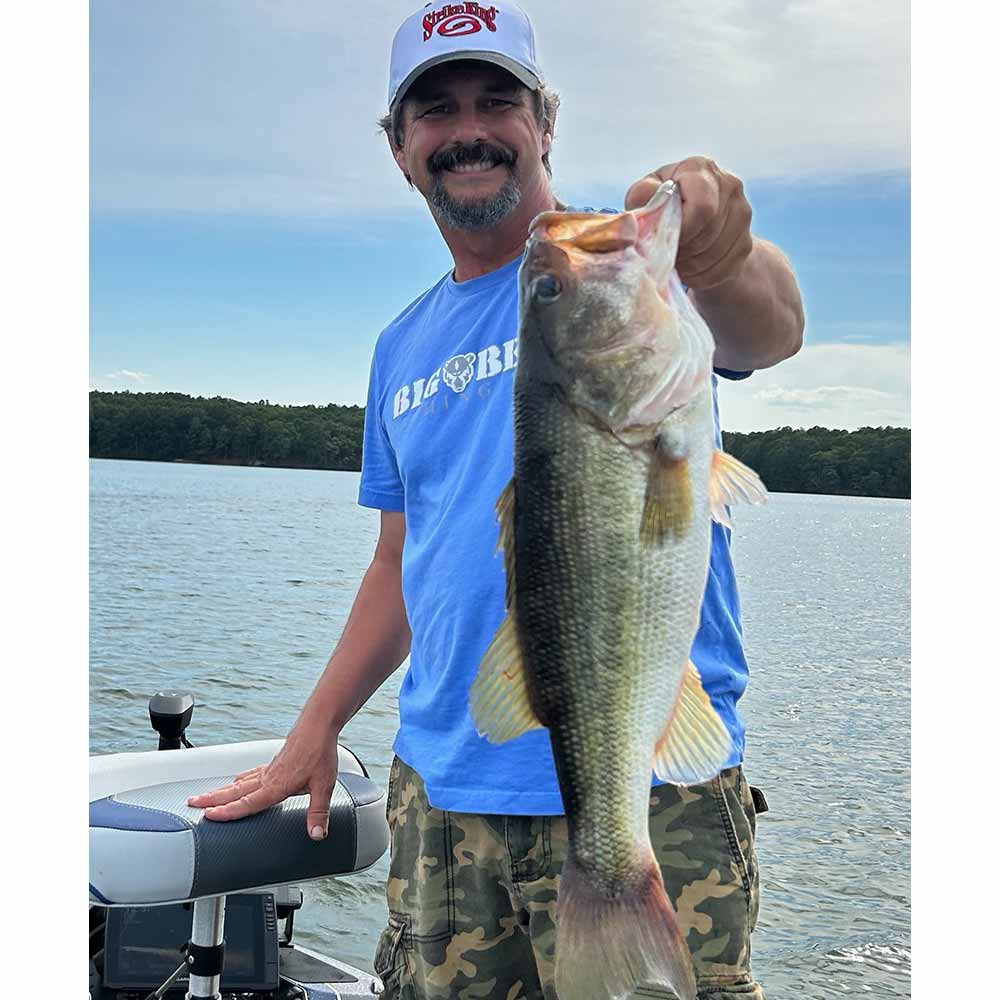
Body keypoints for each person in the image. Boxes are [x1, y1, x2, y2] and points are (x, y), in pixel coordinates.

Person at [189, 3, 804, 998]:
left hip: (647, 790)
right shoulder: (399, 345)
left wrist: (725, 254)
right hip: (443, 797)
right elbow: (400, 560)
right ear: (400, 149)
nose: (466, 129)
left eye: (496, 100)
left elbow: (766, 328)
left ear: (544, 125)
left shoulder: (634, 269)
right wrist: (314, 727)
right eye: (434, 111)